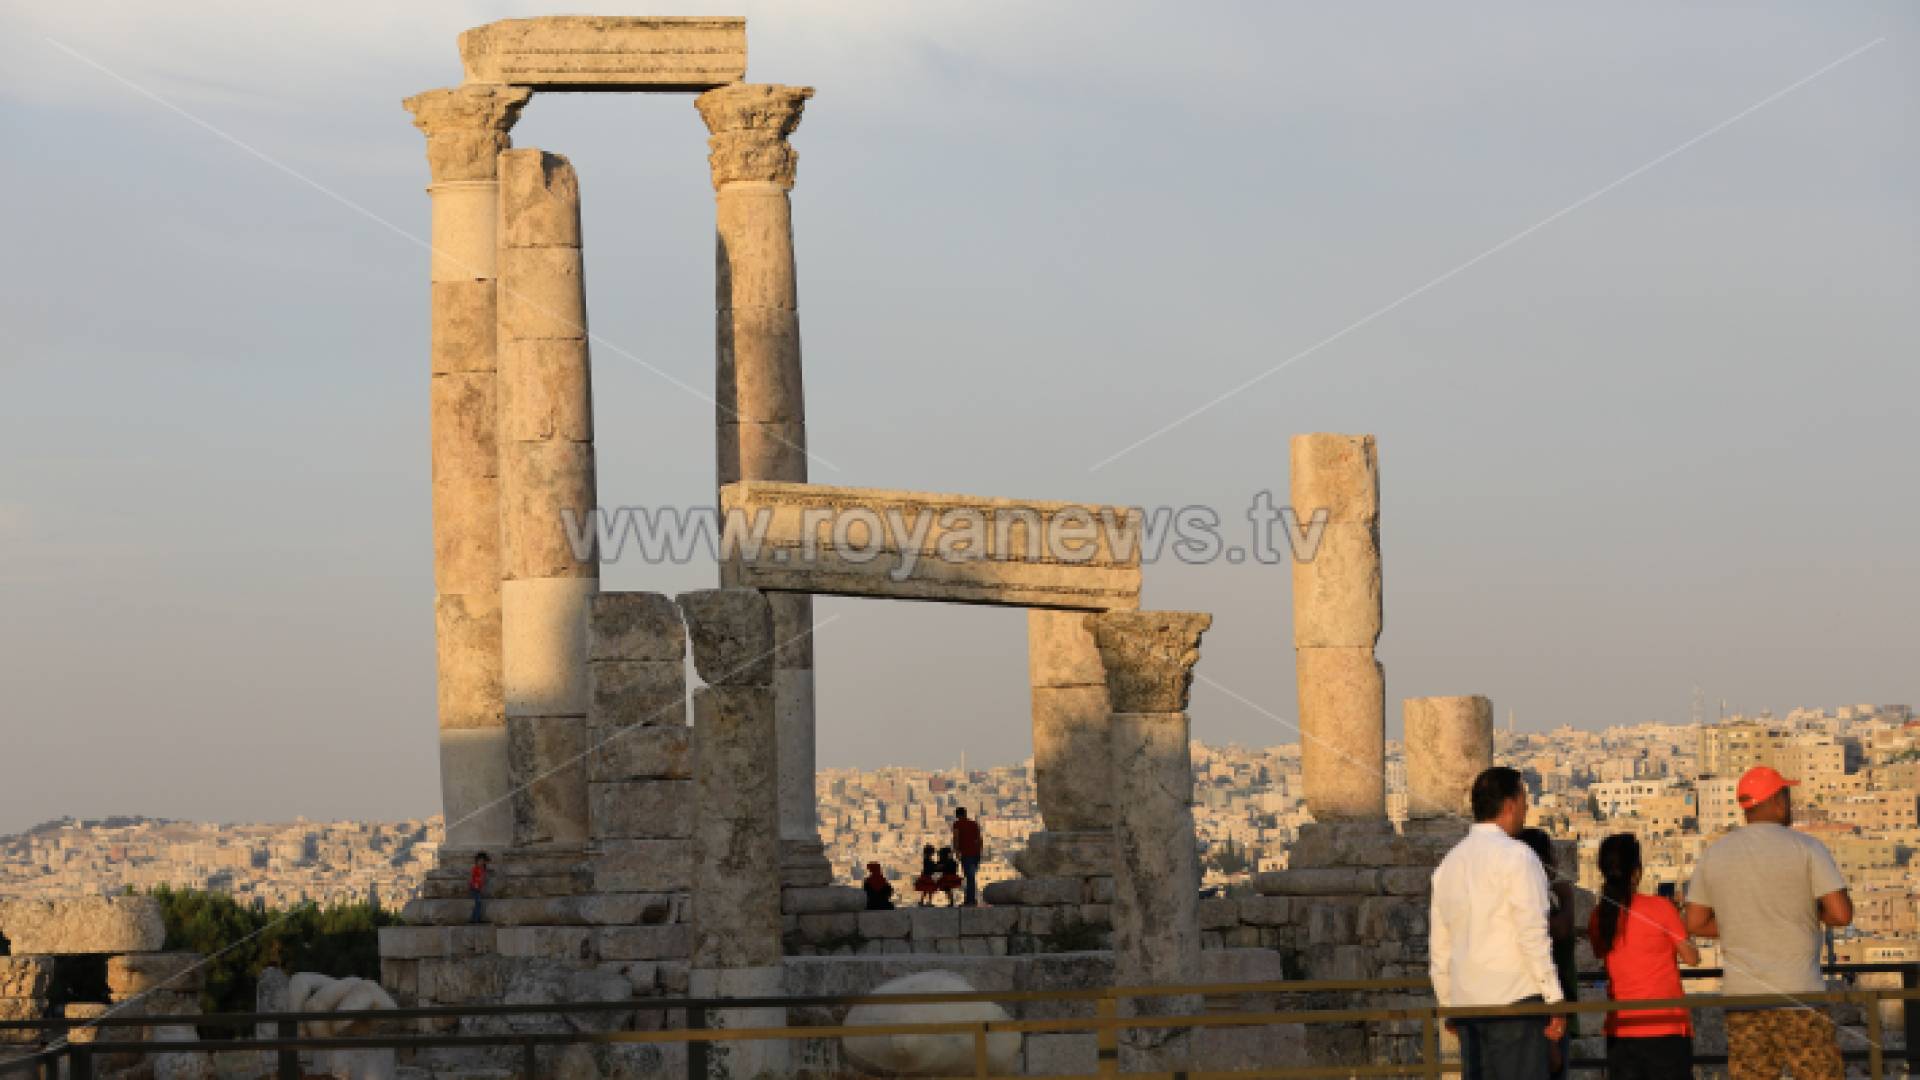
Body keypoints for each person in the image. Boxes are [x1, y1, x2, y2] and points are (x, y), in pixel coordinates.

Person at [1685, 766, 1851, 1080]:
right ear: (1776, 801)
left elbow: (1695, 922)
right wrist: (1806, 916)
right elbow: (1841, 914)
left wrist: (1741, 925)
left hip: (1744, 999)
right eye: (1787, 796)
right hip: (1801, 994)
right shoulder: (1807, 848)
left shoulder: (1715, 854)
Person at [1429, 767, 1567, 1080]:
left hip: (1468, 1006)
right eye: (1523, 799)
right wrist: (1554, 999)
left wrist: (1447, 1002)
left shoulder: (1448, 865)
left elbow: (1441, 947)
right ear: (1509, 805)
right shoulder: (1518, 857)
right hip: (1515, 1004)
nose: (1526, 807)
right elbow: (1532, 933)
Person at [1588, 833, 1698, 1080]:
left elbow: (1599, 951)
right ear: (1636, 872)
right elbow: (1691, 958)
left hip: (1622, 1031)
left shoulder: (1599, 916)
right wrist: (1679, 923)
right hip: (1666, 1028)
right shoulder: (1660, 908)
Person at [1518, 828, 1580, 1080]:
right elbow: (1558, 931)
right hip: (1547, 1020)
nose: (1556, 862)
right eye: (1551, 855)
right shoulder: (1536, 899)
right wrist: (1568, 899)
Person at [952, 807, 985, 907]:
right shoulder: (974, 824)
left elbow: (956, 837)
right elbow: (979, 839)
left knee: (969, 877)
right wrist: (979, 851)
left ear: (957, 815)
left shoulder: (957, 824)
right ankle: (970, 899)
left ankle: (970, 900)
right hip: (975, 854)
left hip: (966, 854)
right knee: (971, 877)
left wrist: (956, 850)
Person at [468, 852, 491, 924]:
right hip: (474, 888)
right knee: (478, 903)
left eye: (483, 861)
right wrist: (474, 885)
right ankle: (475, 919)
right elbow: (471, 878)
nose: (481, 862)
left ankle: (476, 918)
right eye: (480, 861)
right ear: (477, 861)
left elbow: (483, 879)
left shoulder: (482, 870)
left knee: (478, 904)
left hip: (478, 889)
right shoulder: (475, 868)